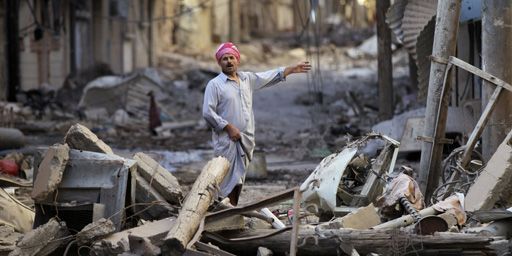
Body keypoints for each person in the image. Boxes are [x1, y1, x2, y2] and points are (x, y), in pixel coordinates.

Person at [202, 42, 311, 206]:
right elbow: (207, 112)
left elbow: (269, 76)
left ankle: (231, 209)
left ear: (237, 60)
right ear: (219, 62)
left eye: (232, 57)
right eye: (225, 59)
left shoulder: (247, 79)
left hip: (245, 140)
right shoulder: (215, 85)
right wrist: (228, 127)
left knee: (238, 178)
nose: (229, 61)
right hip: (227, 141)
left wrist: (291, 69)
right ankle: (219, 210)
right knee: (225, 178)